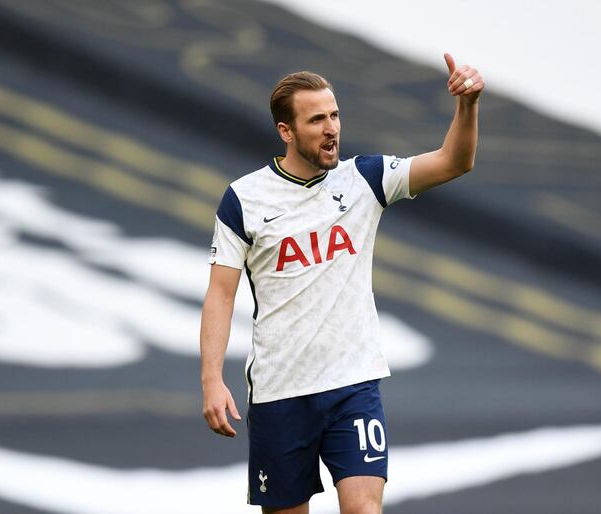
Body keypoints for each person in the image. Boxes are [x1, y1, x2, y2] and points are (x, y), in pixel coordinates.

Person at [200, 52, 483, 514]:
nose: (331, 128)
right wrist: (212, 379)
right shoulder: (244, 200)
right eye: (316, 120)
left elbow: (455, 162)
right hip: (279, 392)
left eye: (335, 115)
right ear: (286, 132)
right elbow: (220, 294)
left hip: (353, 384)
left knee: (364, 510)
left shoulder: (365, 179)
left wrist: (468, 105)